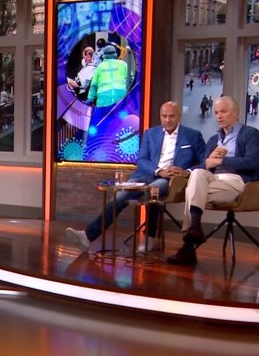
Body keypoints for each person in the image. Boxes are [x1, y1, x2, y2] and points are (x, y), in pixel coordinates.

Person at [66, 101, 206, 253]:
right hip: (147, 175)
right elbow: (141, 160)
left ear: (179, 116)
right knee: (119, 196)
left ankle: (150, 237)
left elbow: (204, 163)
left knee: (154, 191)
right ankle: (87, 236)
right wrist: (159, 171)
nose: (167, 120)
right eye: (164, 116)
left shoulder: (193, 136)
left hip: (171, 180)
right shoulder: (150, 133)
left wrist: (187, 172)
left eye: (171, 116)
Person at [166, 96, 259, 266]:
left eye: (223, 112)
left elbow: (252, 162)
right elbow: (204, 166)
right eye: (217, 112)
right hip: (212, 180)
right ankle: (195, 229)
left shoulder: (250, 134)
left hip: (236, 180)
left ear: (236, 113)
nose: (219, 116)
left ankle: (189, 244)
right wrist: (191, 169)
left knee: (191, 192)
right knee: (197, 174)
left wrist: (221, 161)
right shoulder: (213, 139)